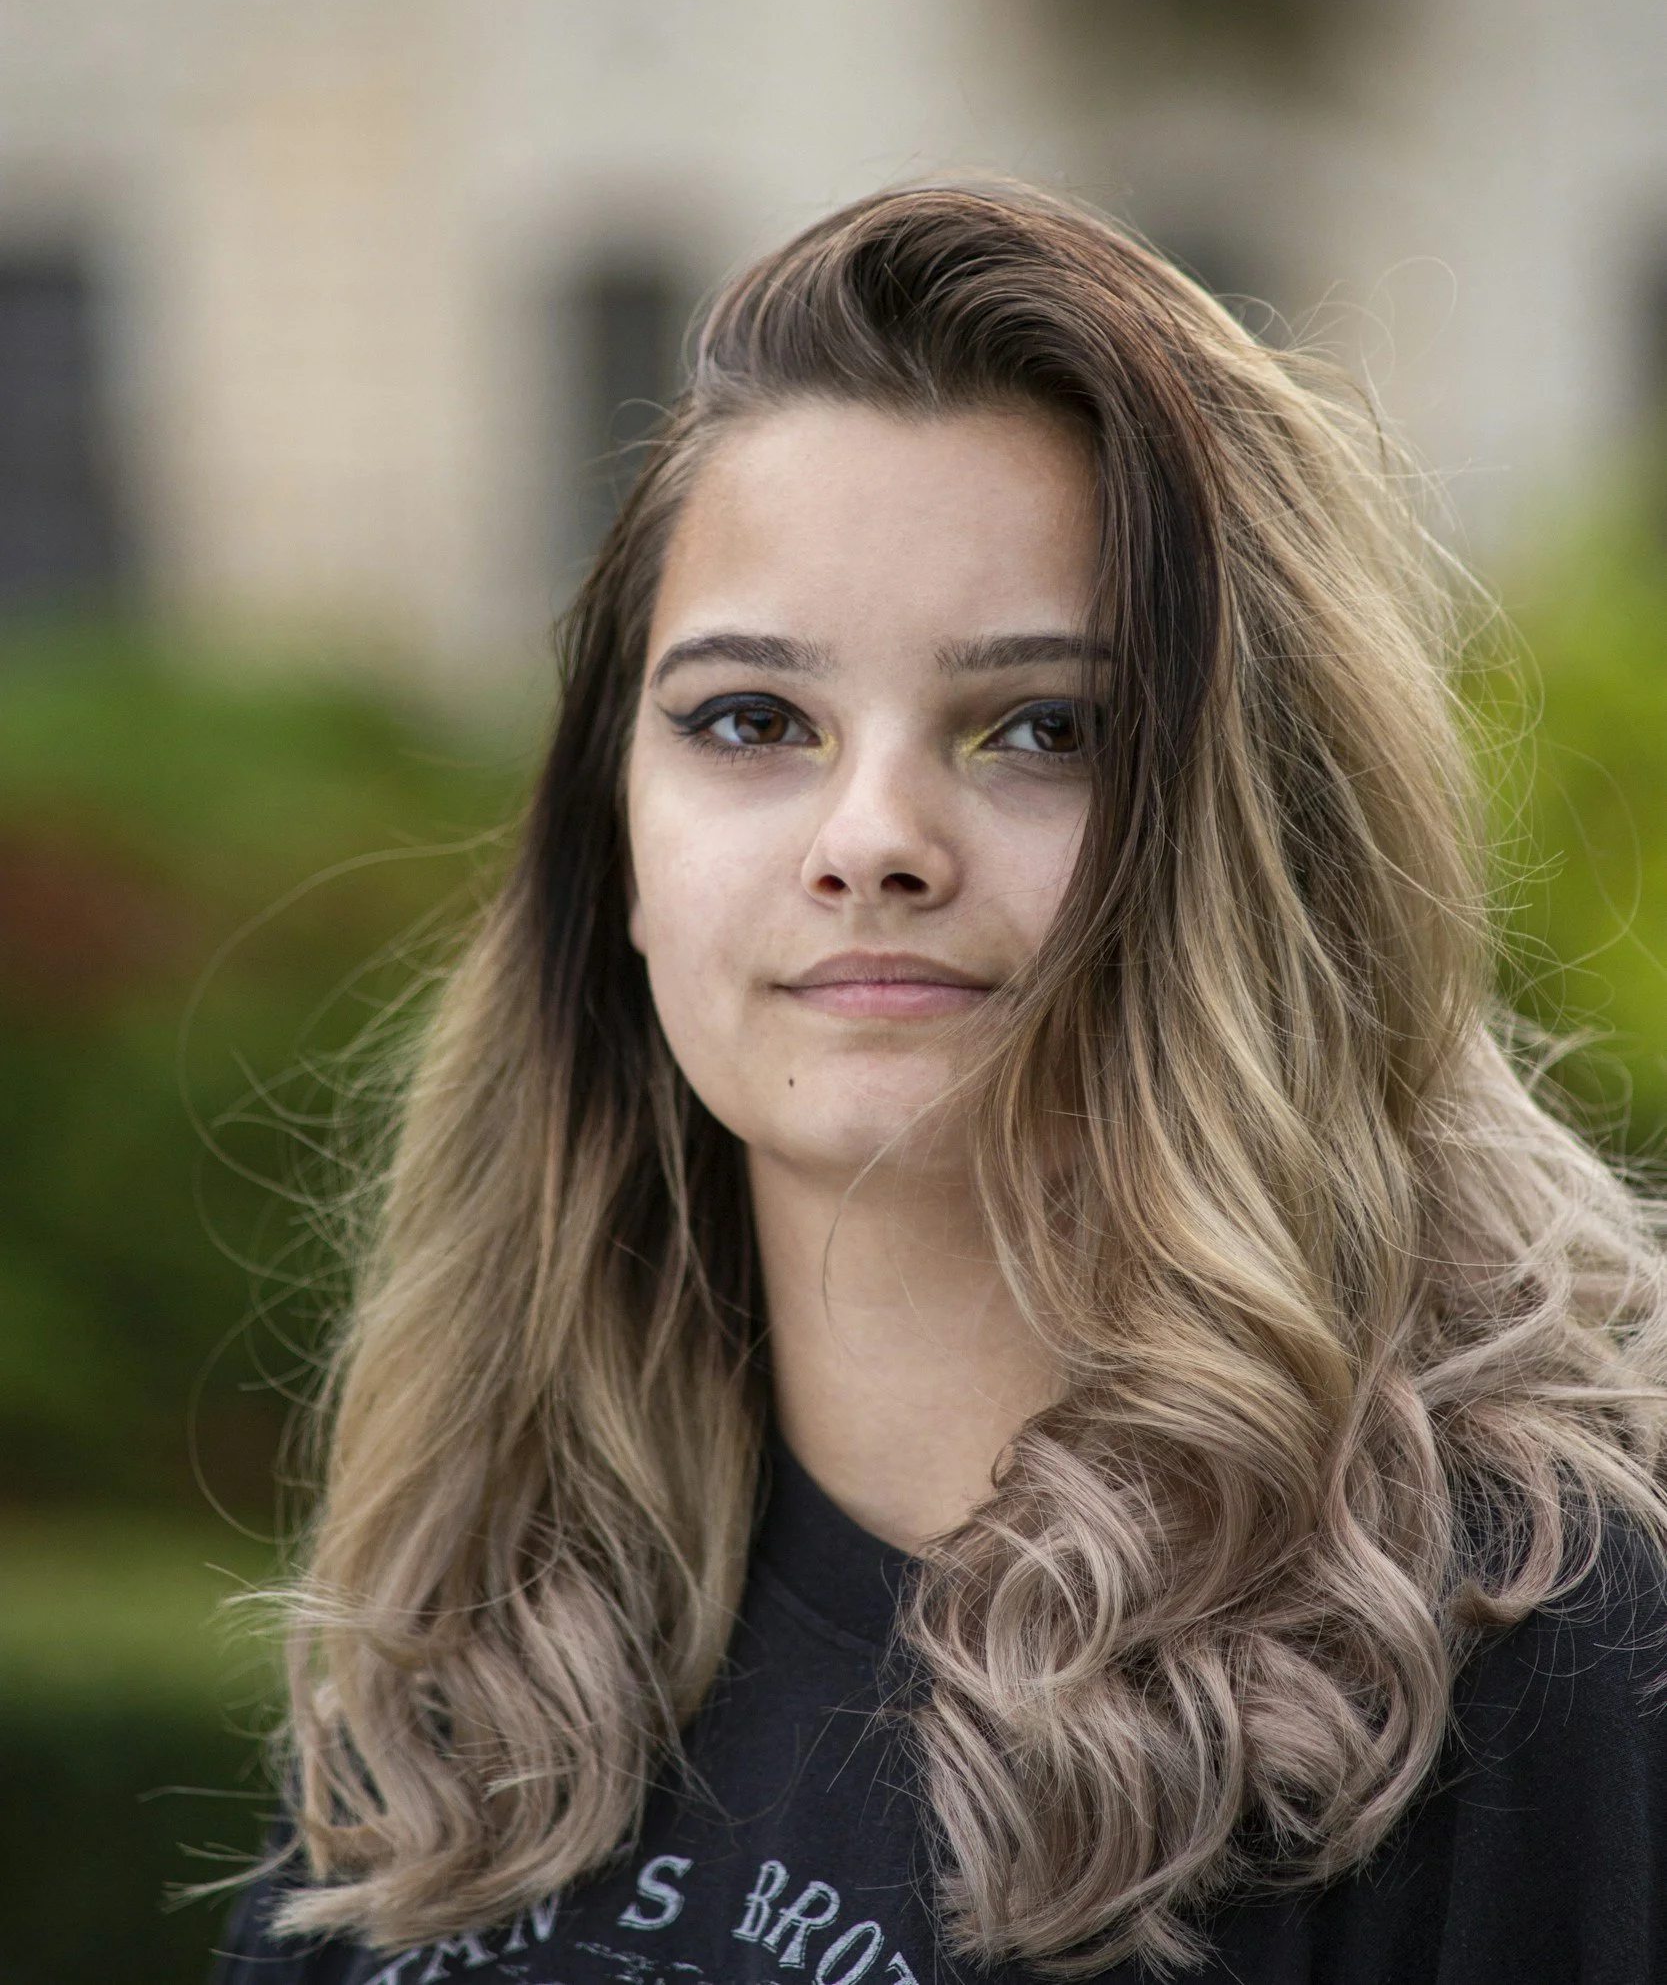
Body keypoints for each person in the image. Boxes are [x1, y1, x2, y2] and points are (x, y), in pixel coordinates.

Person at [217, 186, 1667, 1985]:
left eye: (1043, 729)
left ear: (1266, 837)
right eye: (752, 720)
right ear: (618, 849)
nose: (873, 840)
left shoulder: (1540, 1646)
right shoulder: (484, 1610)